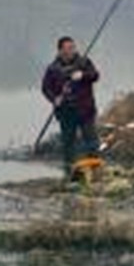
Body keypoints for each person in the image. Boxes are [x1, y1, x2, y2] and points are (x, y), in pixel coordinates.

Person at [41, 36, 100, 178]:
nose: (71, 51)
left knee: (91, 143)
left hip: (85, 110)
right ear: (60, 50)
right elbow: (45, 88)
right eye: (67, 48)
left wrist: (83, 75)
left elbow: (95, 76)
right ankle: (70, 174)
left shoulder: (84, 62)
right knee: (68, 145)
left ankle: (95, 172)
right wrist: (54, 99)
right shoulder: (52, 68)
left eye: (72, 47)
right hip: (66, 112)